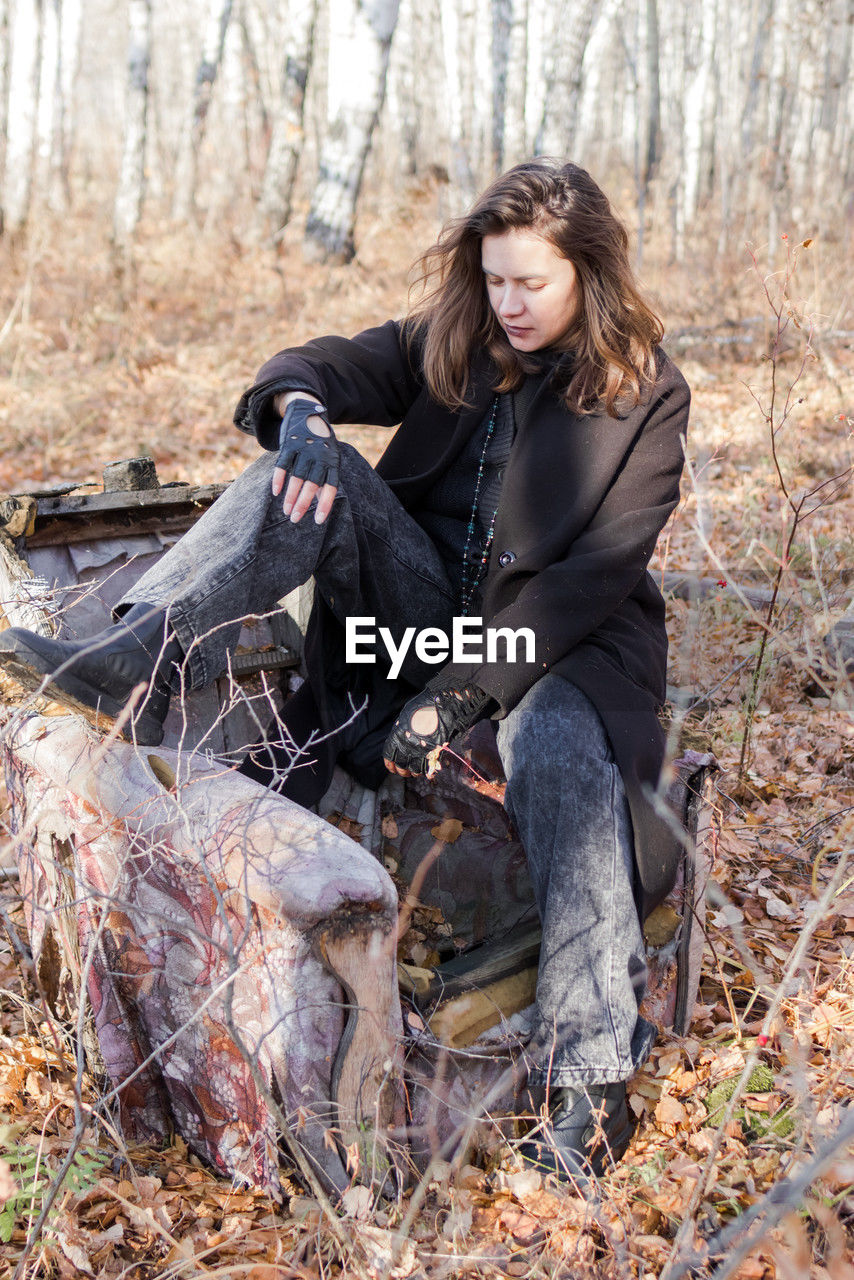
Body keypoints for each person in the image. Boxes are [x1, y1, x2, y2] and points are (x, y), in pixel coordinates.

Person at [0, 159, 690, 1186]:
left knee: (550, 735)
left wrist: (459, 696)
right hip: (411, 623)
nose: (509, 305)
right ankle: (139, 654)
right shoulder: (459, 335)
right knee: (299, 471)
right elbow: (306, 362)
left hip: (556, 641)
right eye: (494, 280)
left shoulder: (645, 392)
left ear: (588, 274)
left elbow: (588, 580)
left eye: (531, 285)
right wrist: (306, 419)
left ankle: (592, 1081)